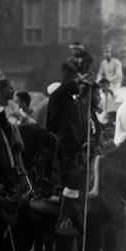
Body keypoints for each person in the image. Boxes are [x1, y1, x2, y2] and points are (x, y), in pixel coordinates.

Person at [46, 62, 97, 236]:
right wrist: (79, 80)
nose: (79, 86)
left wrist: (87, 143)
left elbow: (80, 127)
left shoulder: (74, 104)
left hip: (75, 155)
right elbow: (65, 89)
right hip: (60, 156)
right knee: (76, 178)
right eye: (75, 81)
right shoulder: (57, 98)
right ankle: (63, 219)